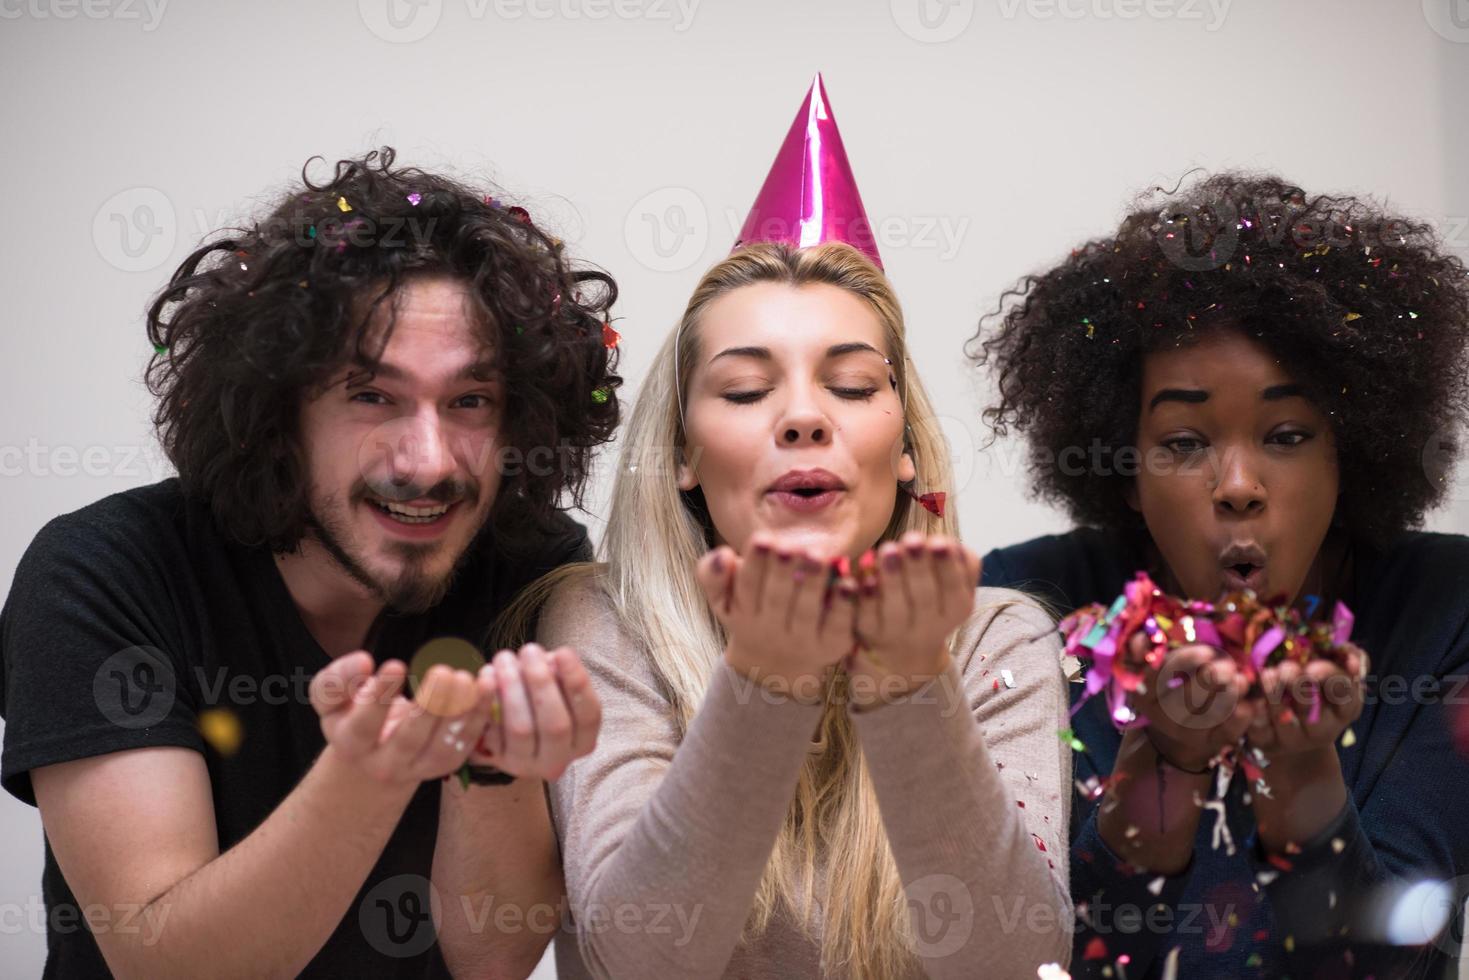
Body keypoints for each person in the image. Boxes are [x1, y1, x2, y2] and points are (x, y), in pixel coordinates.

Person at [0, 147, 613, 978]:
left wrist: (491, 761)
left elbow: (490, 957)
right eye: (371, 396)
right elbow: (166, 965)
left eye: (470, 402)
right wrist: (370, 773)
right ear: (278, 409)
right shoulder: (105, 570)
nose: (428, 461)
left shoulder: (529, 566)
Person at [526, 76, 1074, 979]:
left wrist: (909, 691)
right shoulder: (603, 623)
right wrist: (763, 684)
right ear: (683, 457)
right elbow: (641, 960)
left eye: (853, 385)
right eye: (745, 390)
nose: (803, 417)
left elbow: (1013, 962)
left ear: (903, 447)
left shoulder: (991, 638)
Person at [973, 172, 1469, 979]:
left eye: (1284, 433)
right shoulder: (1028, 606)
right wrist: (1160, 770)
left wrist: (1305, 774)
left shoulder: (1446, 610)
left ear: (1350, 453)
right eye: (1182, 442)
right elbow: (1026, 959)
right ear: (1125, 471)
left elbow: (1390, 963)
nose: (1237, 484)